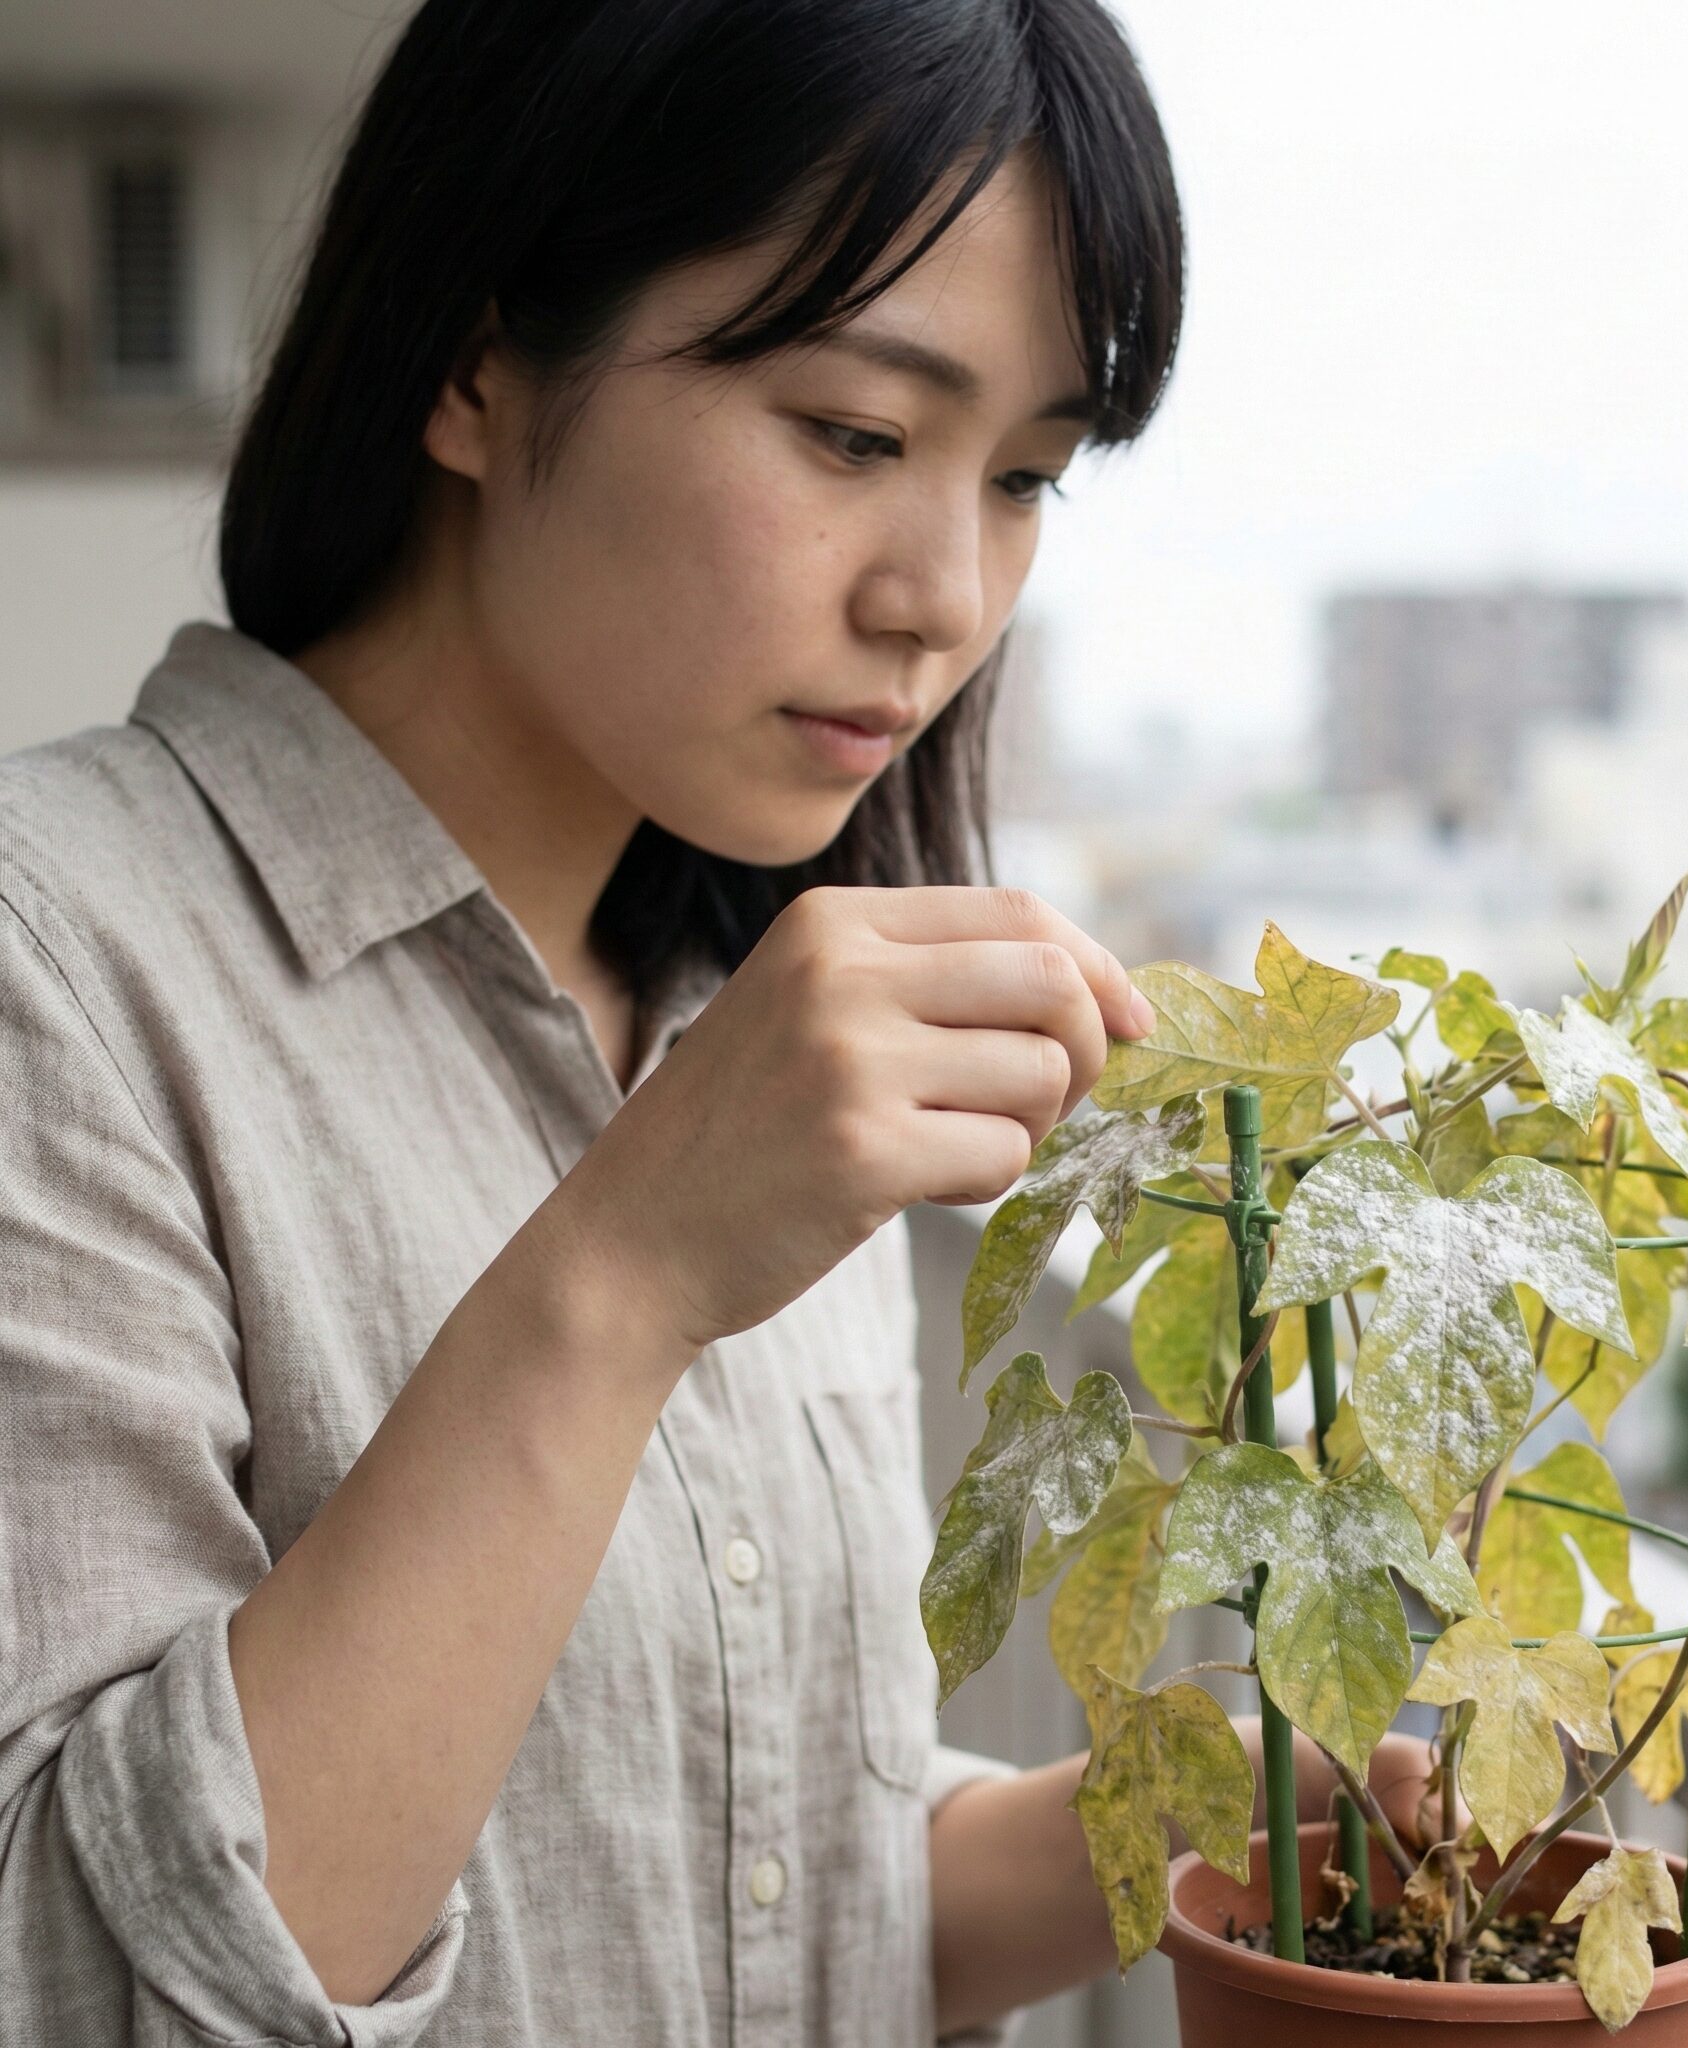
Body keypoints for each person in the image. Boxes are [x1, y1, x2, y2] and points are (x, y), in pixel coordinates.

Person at [0, 1, 1436, 2040]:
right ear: (478, 359)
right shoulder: (57, 964)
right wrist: (630, 1268)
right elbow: (82, 1983)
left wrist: (1223, 1810)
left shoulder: (745, 1009)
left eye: (1027, 475)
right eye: (855, 433)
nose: (942, 593)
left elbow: (745, 1890)